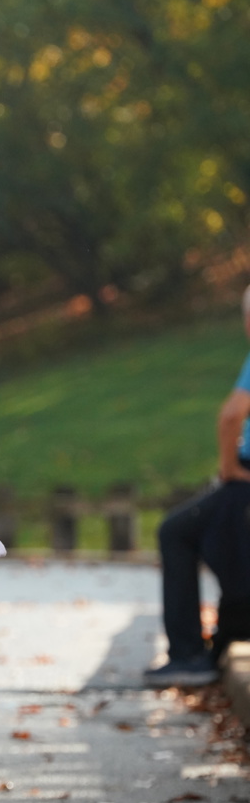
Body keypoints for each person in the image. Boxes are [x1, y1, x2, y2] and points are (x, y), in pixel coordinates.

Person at [145, 284, 250, 686]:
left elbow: (231, 416)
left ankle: (188, 655)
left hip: (244, 478)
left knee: (175, 531)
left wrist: (228, 468)